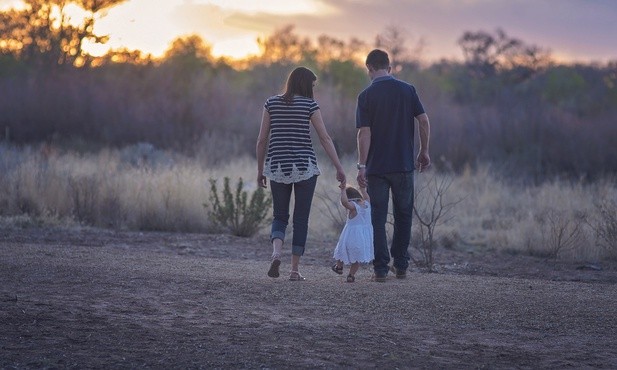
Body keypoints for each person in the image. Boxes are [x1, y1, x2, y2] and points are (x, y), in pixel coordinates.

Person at [256, 66, 346, 281]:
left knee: (280, 215)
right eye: (313, 85)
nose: (313, 89)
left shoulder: (271, 103)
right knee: (301, 219)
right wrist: (339, 167)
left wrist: (260, 170)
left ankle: (277, 253)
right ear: (306, 84)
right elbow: (324, 138)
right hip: (305, 167)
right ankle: (294, 270)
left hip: (277, 166)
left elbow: (261, 140)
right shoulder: (310, 105)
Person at [355, 49, 431, 282]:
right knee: (404, 215)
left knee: (377, 217)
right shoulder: (408, 90)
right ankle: (401, 265)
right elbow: (424, 120)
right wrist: (423, 151)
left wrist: (361, 165)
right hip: (403, 165)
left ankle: (380, 269)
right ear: (389, 67)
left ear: (369, 68)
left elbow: (364, 134)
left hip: (377, 168)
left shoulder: (366, 96)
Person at [332, 184, 374, 283]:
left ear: (350, 199)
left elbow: (344, 202)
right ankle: (351, 275)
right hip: (364, 238)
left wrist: (343, 190)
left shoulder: (353, 207)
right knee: (357, 258)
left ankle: (339, 267)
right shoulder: (367, 204)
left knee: (342, 250)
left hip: (351, 237)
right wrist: (363, 188)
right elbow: (366, 196)